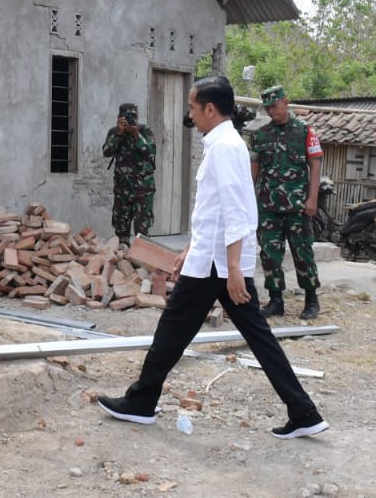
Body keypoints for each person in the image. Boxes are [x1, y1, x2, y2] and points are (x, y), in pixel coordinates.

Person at [97, 75, 329, 440]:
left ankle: (141, 401)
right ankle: (303, 410)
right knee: (247, 335)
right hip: (213, 259)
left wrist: (235, 268)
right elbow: (214, 209)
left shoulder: (225, 146)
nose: (190, 113)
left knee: (173, 329)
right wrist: (191, 248)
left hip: (219, 265)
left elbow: (237, 210)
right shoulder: (221, 142)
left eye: (192, 106)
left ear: (209, 108)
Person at [252, 85, 323, 320]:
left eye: (275, 105)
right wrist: (249, 203)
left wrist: (312, 199)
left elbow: (315, 166)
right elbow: (254, 171)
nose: (272, 111)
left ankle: (311, 300)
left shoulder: (305, 132)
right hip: (268, 207)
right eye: (268, 107)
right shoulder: (260, 135)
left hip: (298, 206)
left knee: (303, 252)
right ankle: (275, 301)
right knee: (269, 254)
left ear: (286, 102)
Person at [101, 103, 157, 245]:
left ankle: (140, 260)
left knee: (142, 230)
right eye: (126, 117)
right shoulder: (115, 132)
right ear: (119, 118)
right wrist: (119, 133)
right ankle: (122, 257)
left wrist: (136, 134)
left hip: (143, 189)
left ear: (137, 117)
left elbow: (149, 151)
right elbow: (107, 152)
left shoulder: (145, 131)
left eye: (133, 117)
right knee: (121, 227)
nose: (130, 120)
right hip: (122, 189)